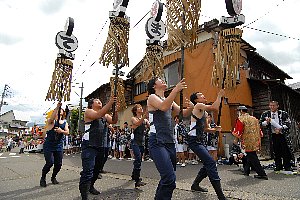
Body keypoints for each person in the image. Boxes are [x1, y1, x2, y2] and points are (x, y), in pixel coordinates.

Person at [147, 77, 193, 200]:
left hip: (169, 141)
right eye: (159, 79)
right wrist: (176, 90)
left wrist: (191, 107)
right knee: (169, 178)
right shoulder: (152, 97)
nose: (163, 80)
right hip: (157, 140)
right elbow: (163, 107)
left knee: (168, 178)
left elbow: (183, 114)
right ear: (154, 86)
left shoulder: (169, 100)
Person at [188, 90, 226, 200]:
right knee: (210, 162)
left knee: (208, 162)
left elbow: (205, 129)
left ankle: (195, 185)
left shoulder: (203, 112)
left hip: (200, 139)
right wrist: (219, 95)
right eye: (201, 95)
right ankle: (221, 196)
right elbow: (214, 108)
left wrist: (215, 129)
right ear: (196, 100)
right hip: (193, 140)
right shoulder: (198, 106)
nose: (204, 96)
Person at [79, 97, 118, 200]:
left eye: (100, 100)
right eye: (97, 100)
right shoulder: (88, 111)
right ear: (91, 104)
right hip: (89, 145)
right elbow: (97, 115)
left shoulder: (105, 115)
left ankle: (91, 186)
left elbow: (114, 121)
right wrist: (110, 102)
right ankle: (84, 195)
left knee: (97, 170)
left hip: (102, 146)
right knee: (88, 171)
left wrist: (115, 110)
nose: (99, 101)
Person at [232, 106, 268, 180]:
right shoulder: (254, 119)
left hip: (247, 141)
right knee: (249, 155)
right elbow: (259, 130)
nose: (237, 113)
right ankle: (246, 171)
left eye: (238, 111)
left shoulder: (241, 119)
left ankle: (262, 173)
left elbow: (238, 131)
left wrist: (236, 139)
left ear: (241, 111)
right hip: (255, 139)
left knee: (252, 156)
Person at [40, 102, 69, 187]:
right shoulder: (51, 121)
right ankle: (43, 177)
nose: (60, 111)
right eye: (58, 111)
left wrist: (61, 131)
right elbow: (52, 118)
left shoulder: (64, 122)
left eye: (61, 110)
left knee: (58, 164)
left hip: (58, 145)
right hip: (49, 145)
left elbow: (67, 132)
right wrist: (57, 107)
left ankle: (53, 177)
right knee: (49, 163)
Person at [259, 101, 294, 171]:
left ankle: (287, 166)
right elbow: (261, 123)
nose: (272, 107)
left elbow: (288, 124)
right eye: (270, 105)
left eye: (273, 105)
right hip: (272, 135)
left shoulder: (283, 113)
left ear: (277, 106)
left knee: (285, 150)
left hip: (282, 134)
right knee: (276, 151)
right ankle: (278, 166)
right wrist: (267, 122)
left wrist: (280, 128)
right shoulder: (265, 114)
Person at [130, 104, 150, 187]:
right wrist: (144, 116)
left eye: (141, 107)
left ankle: (134, 175)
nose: (141, 108)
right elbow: (137, 123)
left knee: (139, 160)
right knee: (138, 159)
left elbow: (149, 125)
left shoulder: (144, 120)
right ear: (135, 111)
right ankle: (137, 180)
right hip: (135, 142)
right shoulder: (133, 118)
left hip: (142, 142)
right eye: (139, 107)